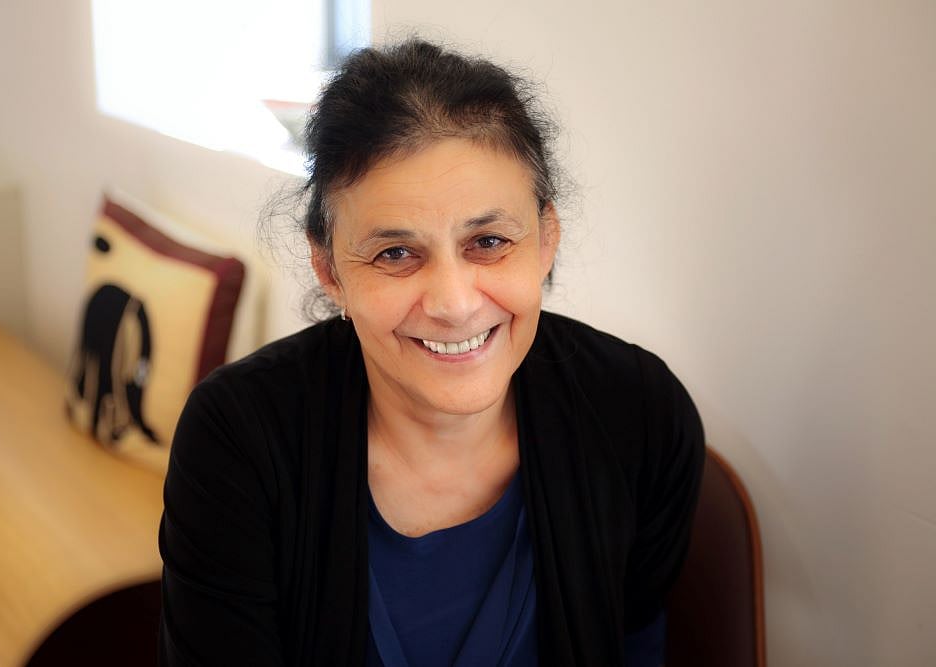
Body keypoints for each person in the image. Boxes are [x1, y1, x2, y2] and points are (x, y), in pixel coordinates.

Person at [158, 39, 705, 667]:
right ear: (330, 269)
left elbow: (636, 640)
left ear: (546, 240)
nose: (453, 303)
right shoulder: (239, 438)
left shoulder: (640, 413)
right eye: (395, 254)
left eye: (489, 241)